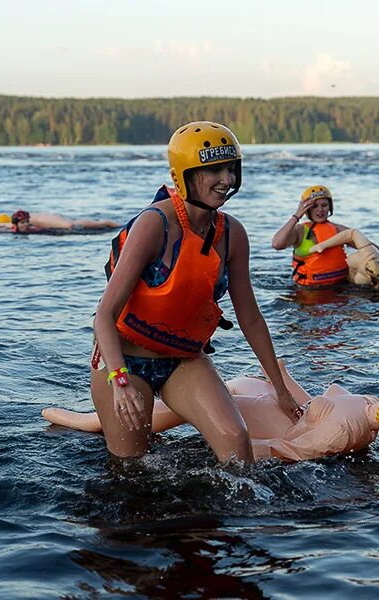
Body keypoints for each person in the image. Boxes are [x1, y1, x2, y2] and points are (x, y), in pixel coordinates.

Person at [89, 121, 299, 464]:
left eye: (231, 168)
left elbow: (250, 318)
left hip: (182, 359)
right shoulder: (153, 224)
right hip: (124, 360)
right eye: (214, 170)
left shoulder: (233, 235)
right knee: (131, 468)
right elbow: (104, 315)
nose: (227, 179)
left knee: (235, 440)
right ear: (183, 175)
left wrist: (281, 390)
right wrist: (120, 380)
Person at [42, 361, 379, 462]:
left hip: (263, 420)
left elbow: (291, 449)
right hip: (275, 405)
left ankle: (93, 423)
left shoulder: (348, 430)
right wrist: (283, 381)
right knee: (221, 387)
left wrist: (235, 445)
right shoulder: (366, 410)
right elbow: (313, 408)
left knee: (196, 406)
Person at [271, 185, 356, 287]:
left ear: (330, 207)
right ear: (306, 210)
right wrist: (297, 216)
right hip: (307, 290)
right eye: (314, 206)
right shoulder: (300, 231)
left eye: (324, 205)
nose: (320, 209)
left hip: (340, 287)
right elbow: (277, 244)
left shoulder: (338, 230)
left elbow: (368, 247)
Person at [308, 228, 379, 289]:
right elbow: (352, 233)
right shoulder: (368, 251)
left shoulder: (374, 281)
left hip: (352, 289)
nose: (368, 263)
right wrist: (323, 245)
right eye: (370, 262)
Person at [0, 210, 120, 234]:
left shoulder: (33, 221)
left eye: (25, 222)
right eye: (23, 223)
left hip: (49, 220)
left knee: (70, 225)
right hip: (46, 219)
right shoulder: (7, 225)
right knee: (70, 225)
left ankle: (108, 223)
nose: (25, 225)